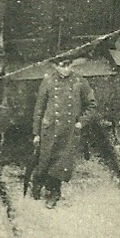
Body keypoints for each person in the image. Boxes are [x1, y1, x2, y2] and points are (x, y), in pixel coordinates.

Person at [30, 59, 97, 208]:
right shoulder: (48, 81)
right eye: (62, 66)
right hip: (49, 128)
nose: (66, 69)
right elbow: (39, 108)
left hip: (68, 131)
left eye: (68, 66)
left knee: (61, 164)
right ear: (55, 66)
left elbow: (92, 104)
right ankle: (37, 183)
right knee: (44, 159)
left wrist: (81, 122)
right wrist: (36, 132)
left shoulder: (79, 81)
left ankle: (54, 192)